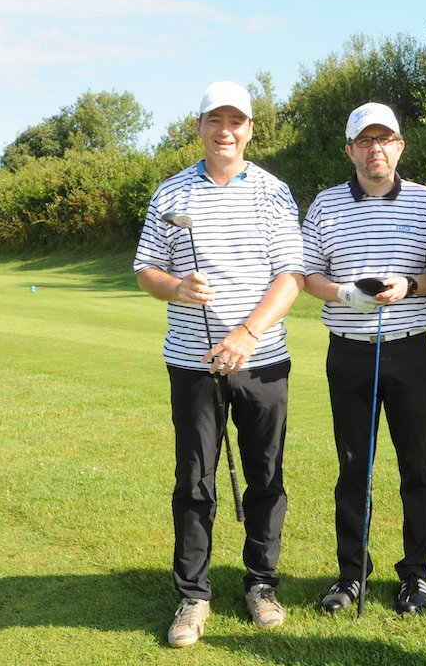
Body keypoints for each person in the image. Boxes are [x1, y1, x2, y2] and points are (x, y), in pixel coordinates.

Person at [133, 80, 305, 647]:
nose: (225, 130)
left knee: (265, 476)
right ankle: (193, 594)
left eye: (236, 121)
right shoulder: (171, 194)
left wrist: (246, 334)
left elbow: (291, 277)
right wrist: (176, 286)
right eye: (215, 120)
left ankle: (261, 584)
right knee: (195, 480)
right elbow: (146, 271)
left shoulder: (274, 193)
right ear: (200, 126)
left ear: (251, 128)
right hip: (191, 362)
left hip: (262, 360)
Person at [301, 102, 426, 615]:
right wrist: (344, 294)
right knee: (353, 468)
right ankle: (351, 573)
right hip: (349, 353)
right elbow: (307, 275)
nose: (375, 148)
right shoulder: (325, 205)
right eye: (365, 141)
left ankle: (416, 575)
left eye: (385, 139)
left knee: (416, 466)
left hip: (408, 349)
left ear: (400, 145)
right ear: (350, 150)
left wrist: (409, 285)